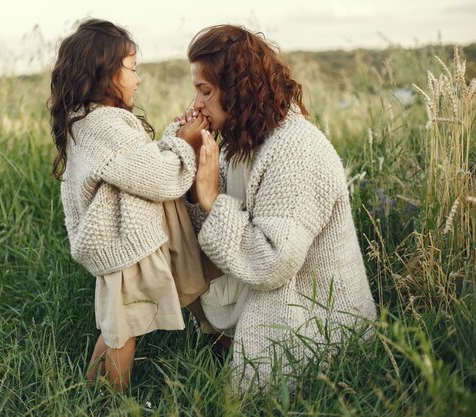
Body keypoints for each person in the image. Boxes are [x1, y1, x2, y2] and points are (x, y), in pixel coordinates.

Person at [175, 24, 378, 392]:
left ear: (238, 91)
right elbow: (206, 226)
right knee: (168, 221)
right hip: (276, 291)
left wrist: (211, 199)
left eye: (205, 91)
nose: (196, 105)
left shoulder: (294, 149)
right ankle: (221, 341)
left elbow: (273, 262)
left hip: (320, 318)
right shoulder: (243, 142)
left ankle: (241, 360)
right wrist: (188, 167)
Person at [49, 19, 210, 390]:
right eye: (132, 69)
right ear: (104, 72)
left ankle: (90, 395)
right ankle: (110, 401)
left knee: (118, 328)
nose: (138, 80)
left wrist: (174, 136)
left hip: (124, 244)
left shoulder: (91, 120)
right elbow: (156, 176)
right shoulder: (104, 124)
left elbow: (137, 163)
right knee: (122, 332)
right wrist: (184, 143)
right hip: (125, 247)